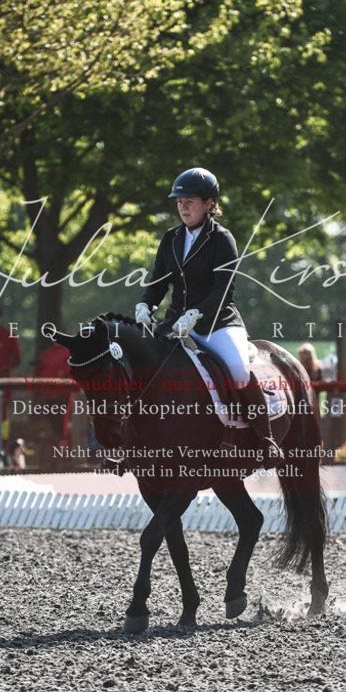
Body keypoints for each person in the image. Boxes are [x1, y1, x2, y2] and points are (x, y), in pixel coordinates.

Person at [135, 167, 284, 467]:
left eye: (189, 201)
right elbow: (158, 283)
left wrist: (197, 312)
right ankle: (133, 443)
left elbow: (224, 288)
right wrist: (145, 305)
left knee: (239, 370)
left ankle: (265, 440)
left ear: (209, 203)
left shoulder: (222, 239)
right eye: (179, 202)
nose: (183, 207)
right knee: (142, 368)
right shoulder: (171, 238)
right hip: (176, 323)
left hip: (217, 323)